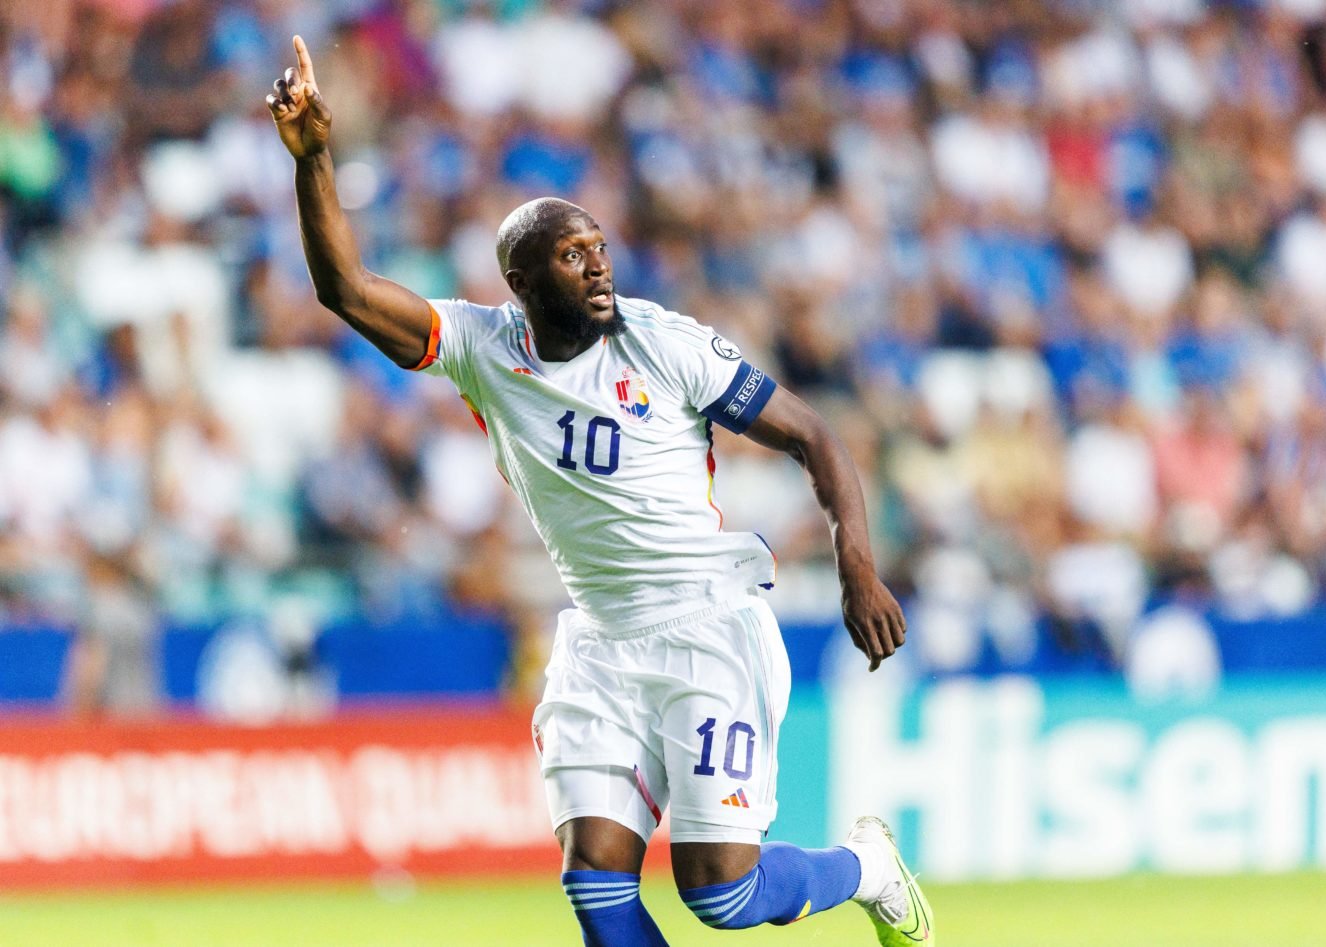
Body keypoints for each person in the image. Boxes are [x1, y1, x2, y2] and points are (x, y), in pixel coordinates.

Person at [266, 37, 932, 946]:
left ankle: (867, 867)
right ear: (522, 279)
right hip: (599, 639)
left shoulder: (664, 344)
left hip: (706, 624)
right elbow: (344, 287)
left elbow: (813, 435)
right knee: (598, 889)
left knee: (722, 897)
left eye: (601, 249)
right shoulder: (482, 348)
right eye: (573, 255)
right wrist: (316, 161)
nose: (598, 267)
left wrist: (857, 564)